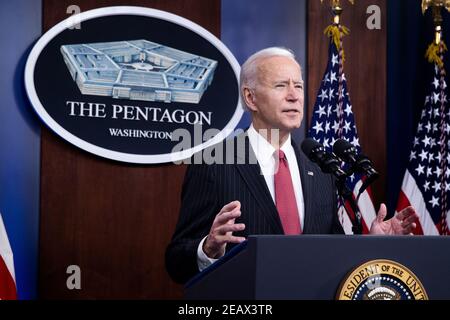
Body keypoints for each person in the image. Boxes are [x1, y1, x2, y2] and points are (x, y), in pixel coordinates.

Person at [165, 47, 418, 284]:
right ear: (250, 97)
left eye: (298, 85)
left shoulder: (320, 168)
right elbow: (176, 261)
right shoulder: (214, 164)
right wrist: (207, 248)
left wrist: (370, 243)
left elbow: (332, 251)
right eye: (280, 85)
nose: (294, 95)